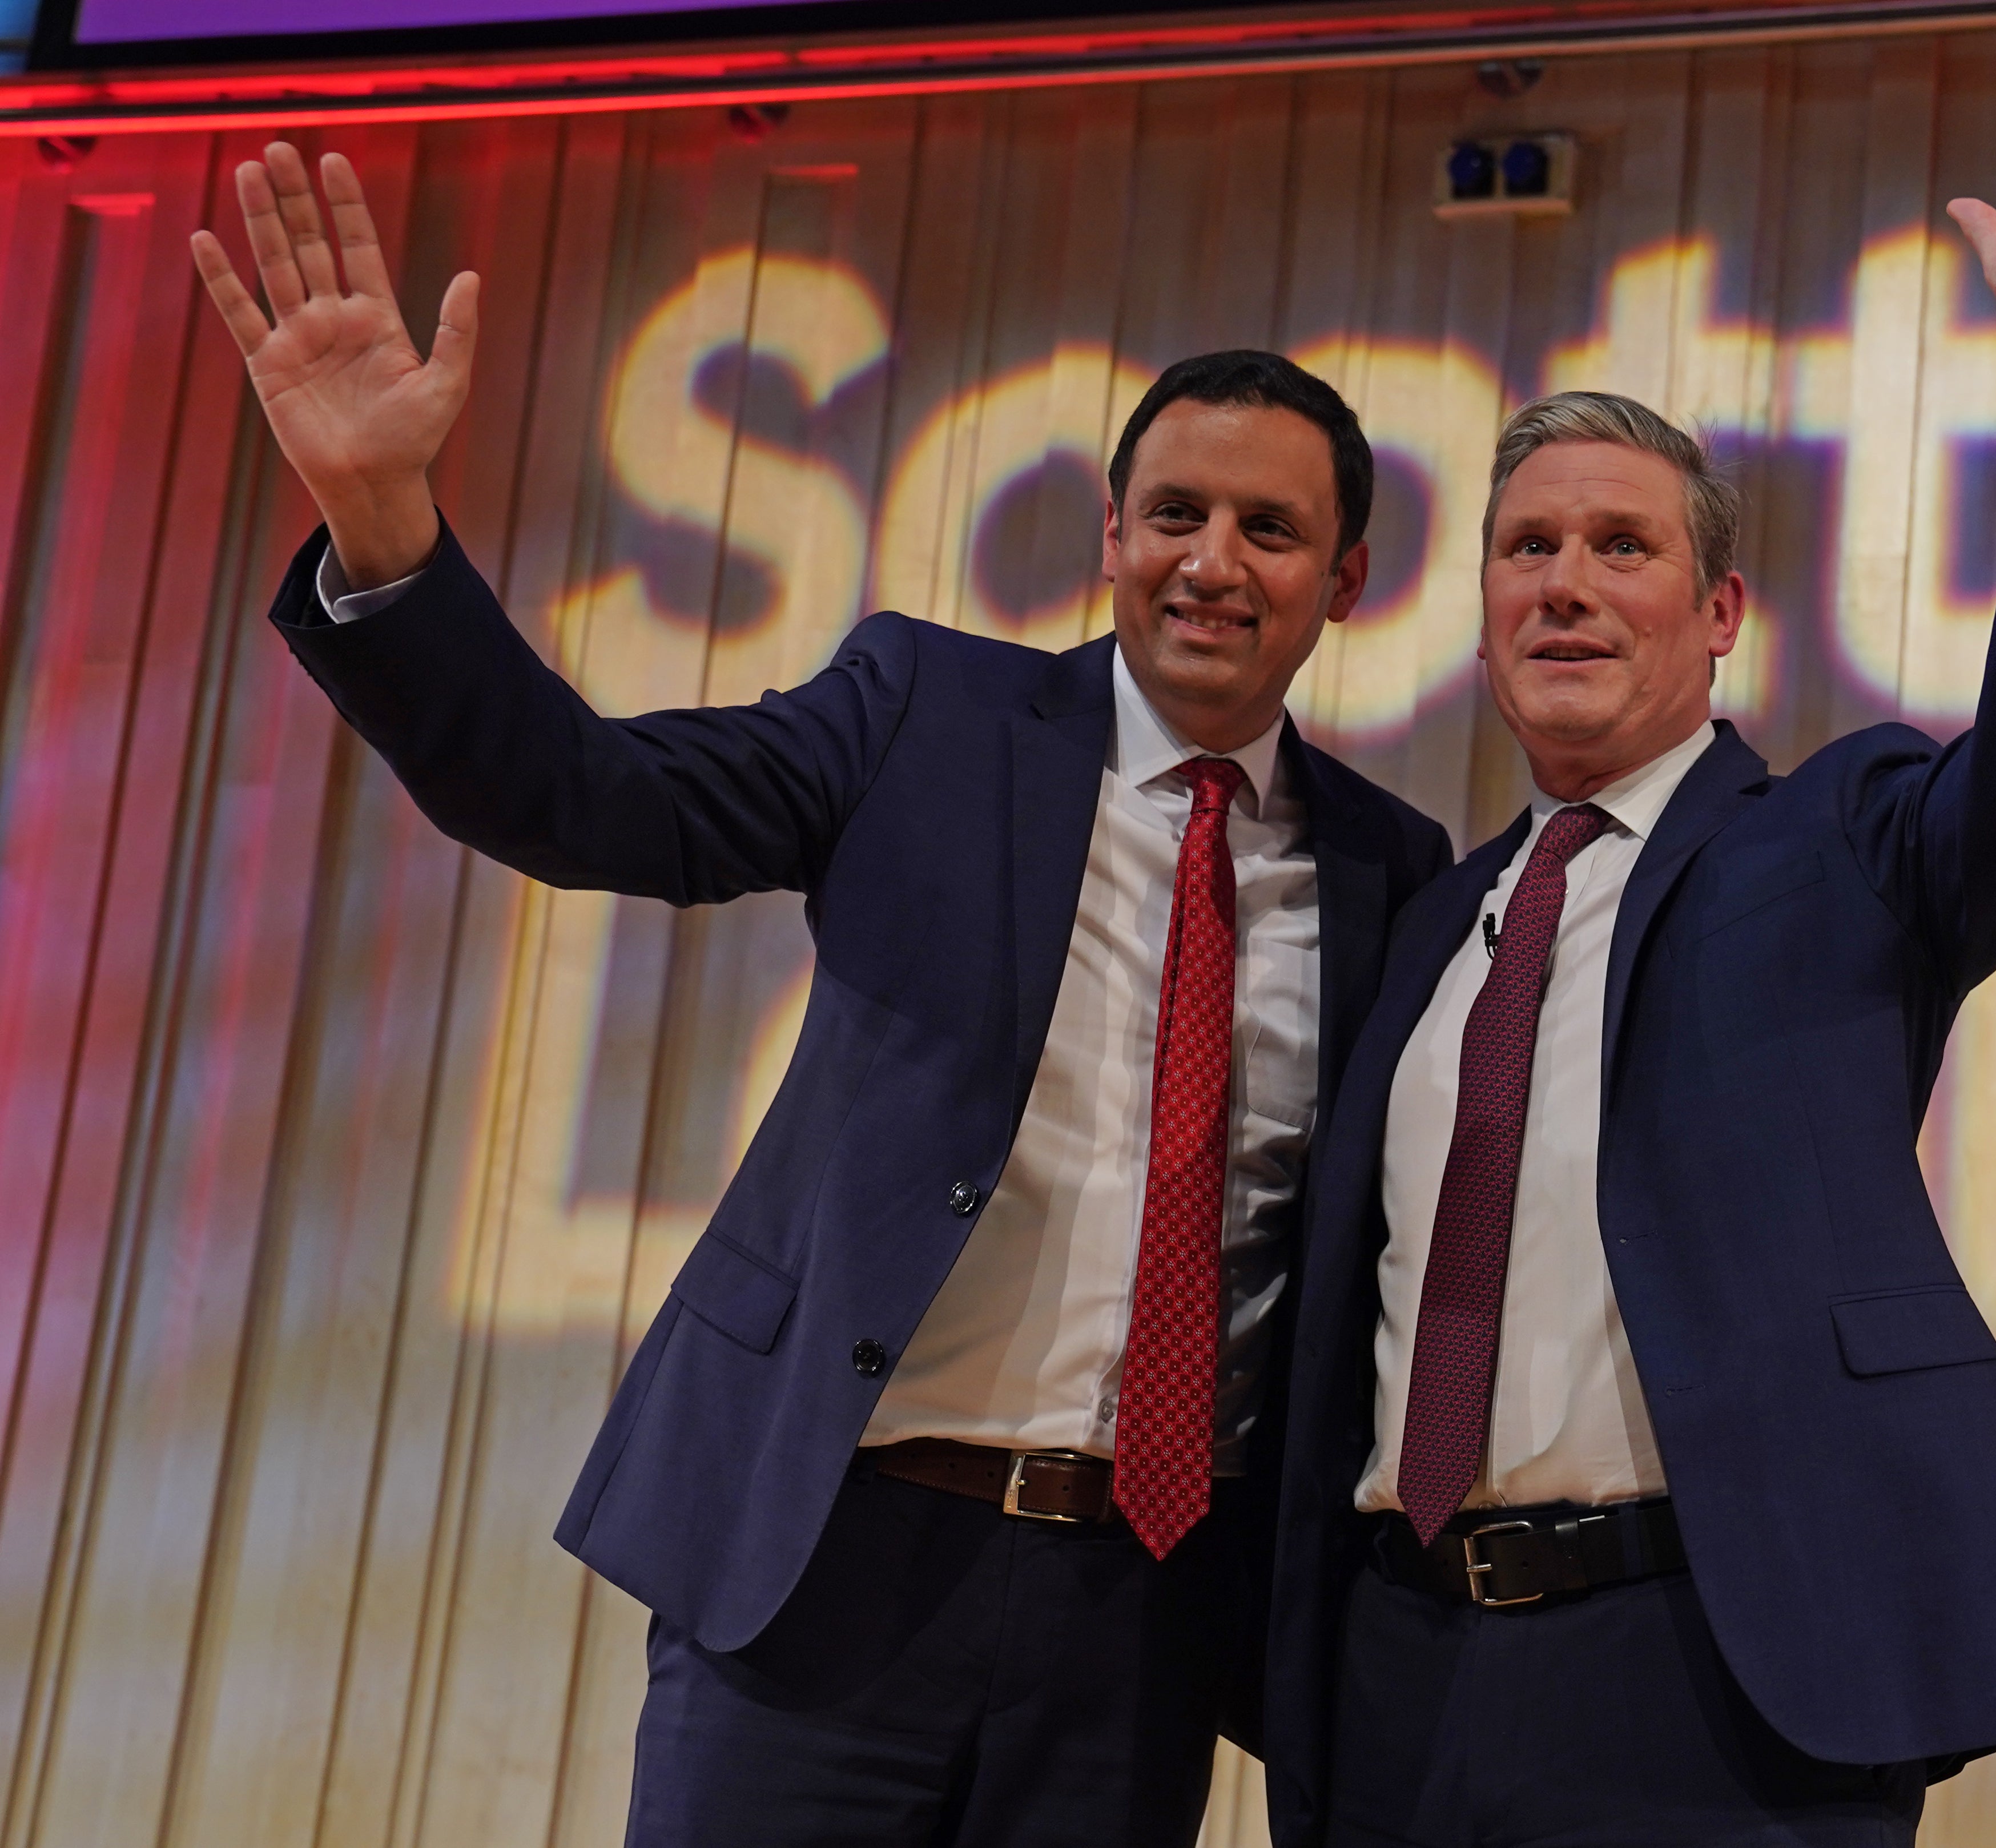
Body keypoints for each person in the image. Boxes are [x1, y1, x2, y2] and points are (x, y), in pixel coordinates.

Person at [190, 148, 1452, 1847]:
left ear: (1347, 581)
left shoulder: (1391, 865)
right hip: (829, 1561)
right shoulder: (923, 711)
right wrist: (386, 525)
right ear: (1111, 538)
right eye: (1175, 515)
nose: (1213, 561)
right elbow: (586, 798)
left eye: (1270, 529)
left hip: (1138, 1612)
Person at [1260, 53, 1996, 1847]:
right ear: (1481, 619)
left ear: (1719, 615)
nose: (1566, 581)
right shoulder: (1422, 921)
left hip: (1718, 1677)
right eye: (1528, 550)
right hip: (1398, 1678)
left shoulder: (1844, 842)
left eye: (1621, 547)